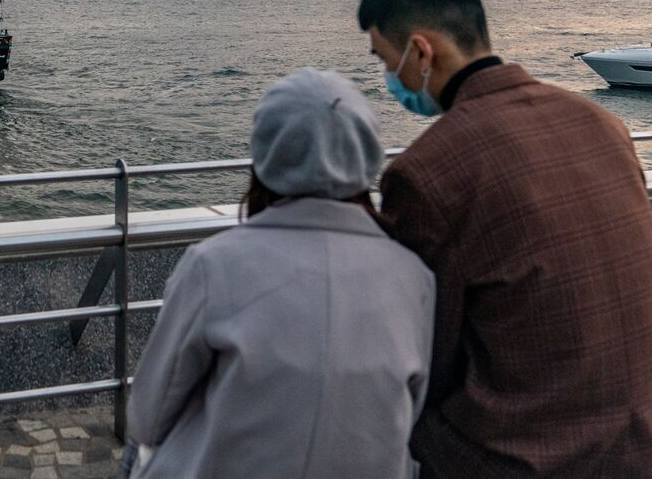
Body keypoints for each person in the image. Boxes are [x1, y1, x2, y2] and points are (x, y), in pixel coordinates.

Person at [358, 0, 652, 477]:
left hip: (521, 459)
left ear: (420, 51)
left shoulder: (427, 172)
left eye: (382, 58)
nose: (388, 77)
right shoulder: (600, 124)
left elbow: (422, 362)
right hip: (647, 448)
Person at [125, 68, 434, 478]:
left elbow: (147, 416)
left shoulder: (214, 267)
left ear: (266, 154)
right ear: (367, 157)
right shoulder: (414, 278)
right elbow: (409, 413)